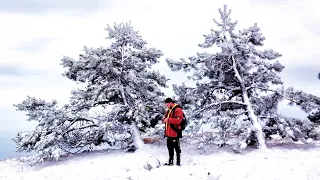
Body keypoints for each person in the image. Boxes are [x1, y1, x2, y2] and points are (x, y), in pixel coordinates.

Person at [162, 98, 183, 166]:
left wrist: (168, 120)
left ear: (171, 103)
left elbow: (178, 120)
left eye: (167, 105)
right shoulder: (169, 110)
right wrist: (164, 120)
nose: (167, 106)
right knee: (170, 148)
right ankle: (170, 162)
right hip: (169, 133)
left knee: (176, 148)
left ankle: (178, 163)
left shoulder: (178, 109)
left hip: (175, 133)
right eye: (166, 105)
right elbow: (165, 118)